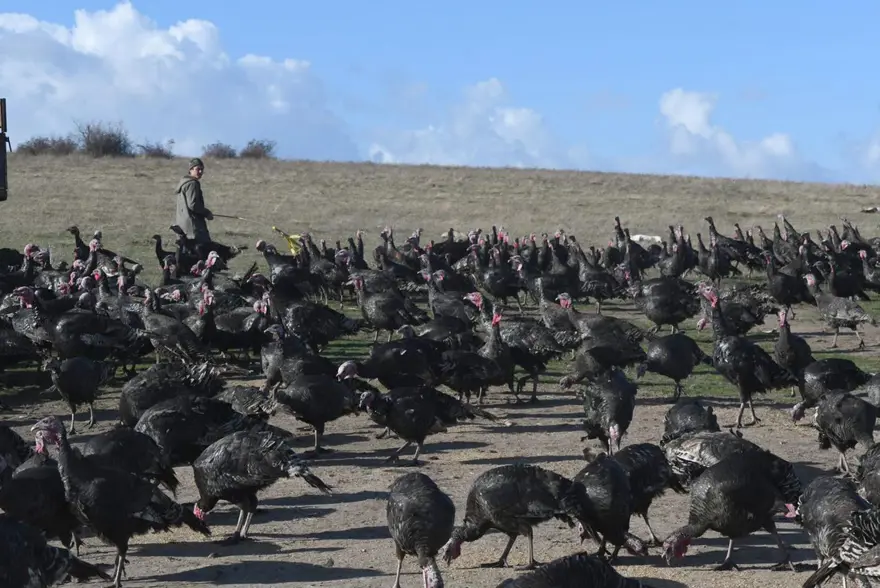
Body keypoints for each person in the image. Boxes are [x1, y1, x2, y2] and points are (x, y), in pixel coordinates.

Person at [175, 157, 213, 244]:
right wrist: (206, 213)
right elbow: (193, 205)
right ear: (191, 170)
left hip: (183, 225)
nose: (200, 172)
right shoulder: (192, 184)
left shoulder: (184, 183)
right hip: (193, 227)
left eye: (202, 169)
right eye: (198, 169)